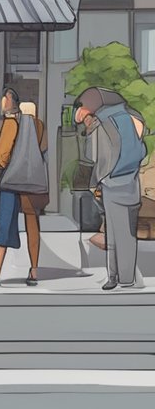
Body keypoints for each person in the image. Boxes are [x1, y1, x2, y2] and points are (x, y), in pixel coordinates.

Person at [74, 87, 147, 290]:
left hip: (111, 184)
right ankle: (125, 277)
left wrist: (98, 179)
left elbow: (94, 156)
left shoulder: (101, 123)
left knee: (113, 235)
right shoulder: (133, 118)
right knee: (128, 235)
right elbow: (142, 150)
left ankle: (115, 277)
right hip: (131, 184)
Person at [0, 90, 48, 287]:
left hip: (11, 181)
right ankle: (34, 271)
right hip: (31, 182)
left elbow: (2, 156)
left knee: (5, 225)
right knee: (32, 225)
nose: (3, 101)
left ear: (12, 102)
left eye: (5, 98)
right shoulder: (38, 125)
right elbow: (43, 149)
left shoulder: (10, 123)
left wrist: (8, 168)